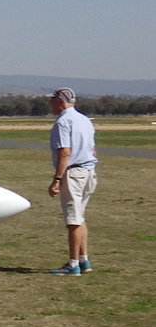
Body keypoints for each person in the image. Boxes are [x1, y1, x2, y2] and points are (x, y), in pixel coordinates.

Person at [47, 88, 97, 275]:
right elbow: (93, 150)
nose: (51, 103)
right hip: (89, 172)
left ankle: (73, 264)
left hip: (74, 173)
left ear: (61, 101)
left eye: (53, 100)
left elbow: (65, 152)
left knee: (73, 220)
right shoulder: (85, 120)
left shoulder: (63, 122)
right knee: (80, 217)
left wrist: (57, 179)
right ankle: (84, 261)